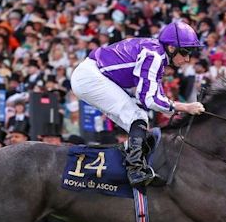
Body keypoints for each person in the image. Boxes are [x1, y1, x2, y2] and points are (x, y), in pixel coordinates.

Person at [71, 21, 205, 188]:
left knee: (137, 121)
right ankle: (135, 170)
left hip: (89, 74)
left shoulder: (156, 53)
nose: (187, 59)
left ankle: (135, 165)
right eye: (185, 52)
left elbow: (154, 94)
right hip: (90, 77)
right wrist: (185, 107)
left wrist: (174, 107)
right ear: (171, 48)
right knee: (137, 116)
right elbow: (148, 99)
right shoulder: (155, 56)